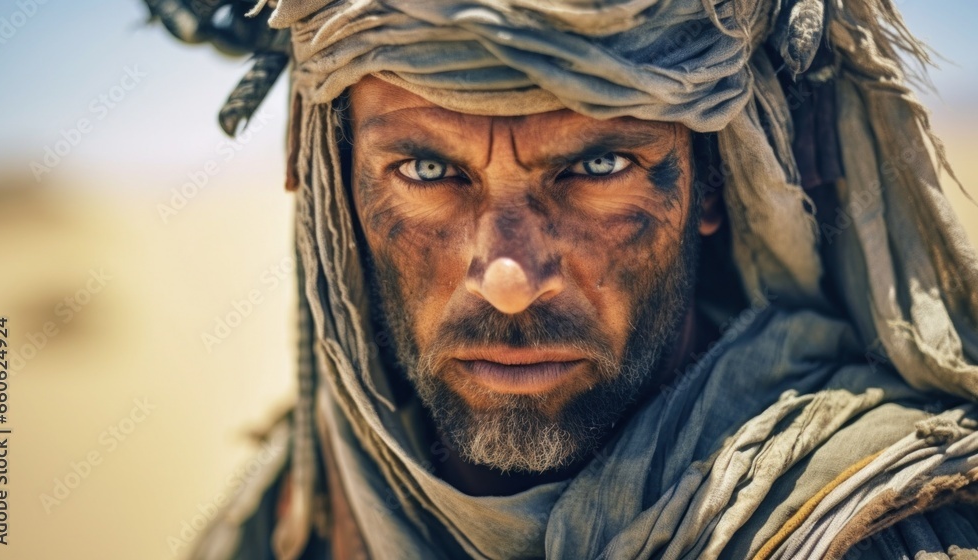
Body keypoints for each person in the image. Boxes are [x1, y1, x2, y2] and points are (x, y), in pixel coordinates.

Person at [145, 1, 978, 558]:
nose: (510, 279)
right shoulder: (296, 513)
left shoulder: (894, 517)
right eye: (428, 170)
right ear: (337, 190)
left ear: (710, 183)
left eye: (598, 164)